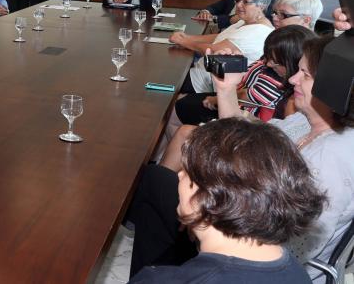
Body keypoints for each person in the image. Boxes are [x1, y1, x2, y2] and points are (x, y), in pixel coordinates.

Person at [129, 35, 354, 282]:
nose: (292, 80)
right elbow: (240, 145)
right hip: (244, 221)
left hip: (249, 254)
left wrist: (213, 221)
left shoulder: (333, 157)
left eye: (305, 75)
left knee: (156, 183)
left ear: (334, 85)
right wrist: (226, 88)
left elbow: (296, 246)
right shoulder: (304, 122)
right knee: (158, 184)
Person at [129, 118, 325, 283]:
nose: (179, 176)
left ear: (210, 196)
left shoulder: (160, 280)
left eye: (186, 173)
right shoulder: (296, 274)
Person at [159, 25, 315, 172]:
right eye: (267, 56)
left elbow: (262, 143)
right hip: (246, 124)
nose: (267, 63)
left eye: (305, 74)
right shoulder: (286, 87)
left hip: (249, 143)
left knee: (182, 128)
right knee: (181, 116)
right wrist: (227, 87)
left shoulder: (293, 101)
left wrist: (225, 94)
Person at [170, 0, 274, 94]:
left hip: (208, 82)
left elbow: (214, 50)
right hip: (204, 70)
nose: (239, 5)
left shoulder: (257, 31)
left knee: (167, 78)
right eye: (238, 0)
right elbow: (221, 37)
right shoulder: (247, 21)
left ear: (262, 6)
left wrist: (183, 41)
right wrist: (188, 37)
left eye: (246, 2)